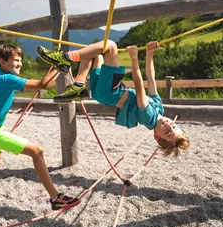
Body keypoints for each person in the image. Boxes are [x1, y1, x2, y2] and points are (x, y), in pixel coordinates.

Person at [0, 44, 81, 211]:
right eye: (15, 60)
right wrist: (61, 65)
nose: (19, 64)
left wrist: (58, 65)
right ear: (2, 62)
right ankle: (56, 197)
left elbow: (40, 83)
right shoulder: (6, 79)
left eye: (20, 60)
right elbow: (43, 84)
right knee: (37, 151)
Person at [36, 40, 190, 157]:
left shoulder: (149, 117)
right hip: (103, 94)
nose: (169, 126)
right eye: (174, 127)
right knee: (93, 51)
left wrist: (134, 59)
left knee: (110, 45)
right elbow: (151, 79)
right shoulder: (159, 108)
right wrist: (150, 54)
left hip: (110, 91)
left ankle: (65, 58)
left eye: (167, 133)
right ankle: (78, 84)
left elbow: (139, 85)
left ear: (157, 136)